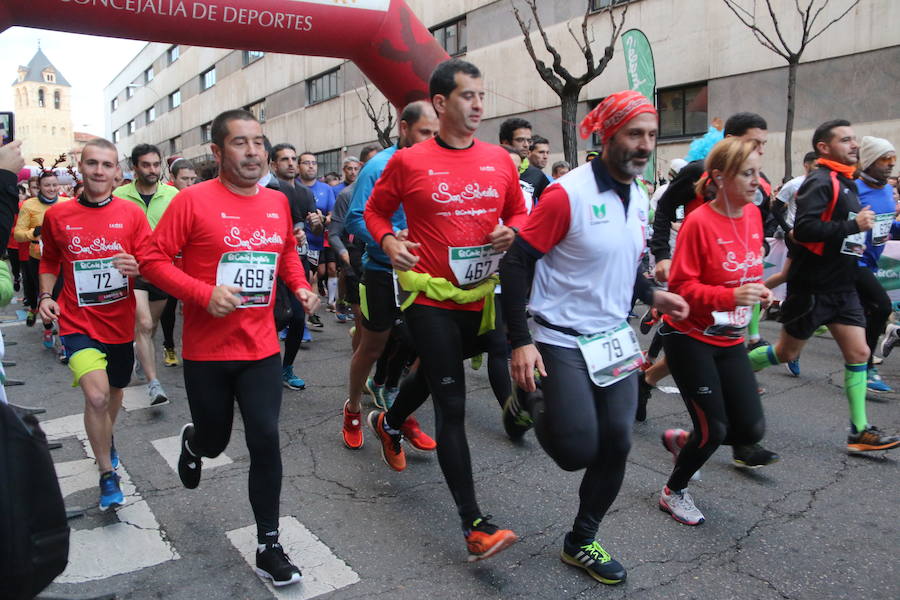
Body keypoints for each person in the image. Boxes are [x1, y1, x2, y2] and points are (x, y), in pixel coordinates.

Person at [501, 90, 688, 583]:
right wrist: (520, 341)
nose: (645, 144)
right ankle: (528, 399)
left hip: (613, 339)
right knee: (574, 451)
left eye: (651, 134)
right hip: (560, 338)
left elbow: (625, 265)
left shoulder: (641, 194)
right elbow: (517, 262)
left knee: (618, 442)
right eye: (634, 133)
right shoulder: (568, 194)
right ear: (607, 136)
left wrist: (652, 294)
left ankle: (581, 540)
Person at [141, 109, 318, 586]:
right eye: (241, 143)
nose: (254, 152)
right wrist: (202, 293)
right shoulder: (191, 202)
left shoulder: (277, 202)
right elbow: (152, 260)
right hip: (207, 352)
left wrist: (299, 286)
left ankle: (269, 544)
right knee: (217, 439)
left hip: (260, 346)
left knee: (265, 439)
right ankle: (195, 441)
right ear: (218, 153)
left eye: (259, 142)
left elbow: (284, 252)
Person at [365, 58, 528, 562]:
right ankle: (473, 525)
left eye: (482, 95)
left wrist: (514, 229)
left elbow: (520, 211)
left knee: (448, 375)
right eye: (466, 96)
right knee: (451, 405)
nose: (478, 105)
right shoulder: (409, 161)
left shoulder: (500, 160)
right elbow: (372, 211)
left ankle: (389, 421)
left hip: (483, 297)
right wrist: (389, 240)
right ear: (440, 103)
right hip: (430, 299)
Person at [748, 120, 900, 453]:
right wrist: (853, 224)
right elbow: (804, 229)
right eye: (845, 140)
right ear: (823, 147)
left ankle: (859, 431)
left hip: (842, 284)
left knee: (860, 352)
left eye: (854, 139)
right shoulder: (820, 181)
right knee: (786, 352)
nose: (854, 145)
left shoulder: (848, 183)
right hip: (814, 285)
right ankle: (735, 371)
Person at [655, 137, 775, 526]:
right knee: (714, 429)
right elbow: (680, 289)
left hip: (730, 337)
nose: (757, 182)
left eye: (758, 172)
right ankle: (674, 492)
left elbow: (746, 273)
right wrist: (731, 295)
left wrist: (760, 292)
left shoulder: (754, 217)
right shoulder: (698, 223)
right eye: (747, 174)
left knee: (750, 428)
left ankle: (681, 442)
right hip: (689, 336)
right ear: (720, 178)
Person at [38, 138, 152, 510]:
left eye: (107, 165)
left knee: (115, 391)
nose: (99, 171)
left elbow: (151, 259)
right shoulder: (58, 215)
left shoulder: (133, 215)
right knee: (97, 395)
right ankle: (107, 473)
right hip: (77, 321)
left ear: (118, 172)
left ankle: (107, 437)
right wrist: (45, 296)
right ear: (81, 167)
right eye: (92, 164)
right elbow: (50, 260)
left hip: (119, 324)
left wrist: (140, 267)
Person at [342, 100, 439, 449]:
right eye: (424, 133)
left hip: (426, 274)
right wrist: (388, 240)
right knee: (372, 346)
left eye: (436, 133)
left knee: (424, 345)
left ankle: (395, 413)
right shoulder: (379, 166)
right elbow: (354, 219)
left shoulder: (437, 164)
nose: (431, 140)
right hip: (383, 271)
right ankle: (353, 409)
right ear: (404, 128)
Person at [114, 144, 179, 406]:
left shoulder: (172, 195)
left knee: (149, 327)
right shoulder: (120, 195)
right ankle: (155, 385)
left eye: (155, 165)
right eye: (146, 165)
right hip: (132, 269)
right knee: (142, 323)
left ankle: (141, 355)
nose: (152, 170)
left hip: (161, 270)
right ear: (134, 167)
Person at [268, 143, 321, 390]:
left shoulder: (304, 192)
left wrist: (317, 222)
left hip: (297, 261)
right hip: (271, 264)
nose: (290, 163)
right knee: (274, 318)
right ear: (273, 165)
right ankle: (261, 367)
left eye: (293, 158)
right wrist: (288, 235)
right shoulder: (269, 190)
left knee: (299, 317)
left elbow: (316, 230)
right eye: (284, 159)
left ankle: (286, 368)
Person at [852, 137, 898, 392]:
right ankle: (867, 367)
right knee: (882, 306)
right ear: (868, 162)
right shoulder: (855, 189)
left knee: (827, 315)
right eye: (884, 159)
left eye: (893, 159)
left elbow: (886, 222)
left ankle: (787, 349)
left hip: (869, 264)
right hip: (852, 262)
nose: (891, 164)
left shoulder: (885, 190)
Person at [15, 166, 70, 333]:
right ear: (39, 186)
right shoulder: (29, 205)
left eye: (55, 185)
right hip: (38, 259)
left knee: (61, 297)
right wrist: (34, 233)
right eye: (47, 185)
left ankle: (63, 337)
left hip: (63, 259)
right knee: (46, 296)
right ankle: (48, 328)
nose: (52, 189)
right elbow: (18, 234)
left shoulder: (67, 203)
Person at [298, 152, 337, 318]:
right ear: (299, 166)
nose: (311, 166)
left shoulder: (326, 189)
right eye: (306, 163)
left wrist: (324, 219)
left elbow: (332, 213)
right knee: (303, 277)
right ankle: (302, 316)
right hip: (295, 240)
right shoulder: (292, 186)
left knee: (315, 275)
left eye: (314, 162)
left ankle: (307, 314)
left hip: (316, 241)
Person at [499, 117, 549, 201]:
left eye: (529, 141)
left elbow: (551, 205)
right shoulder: (489, 170)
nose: (526, 145)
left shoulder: (536, 174)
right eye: (520, 140)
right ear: (505, 143)